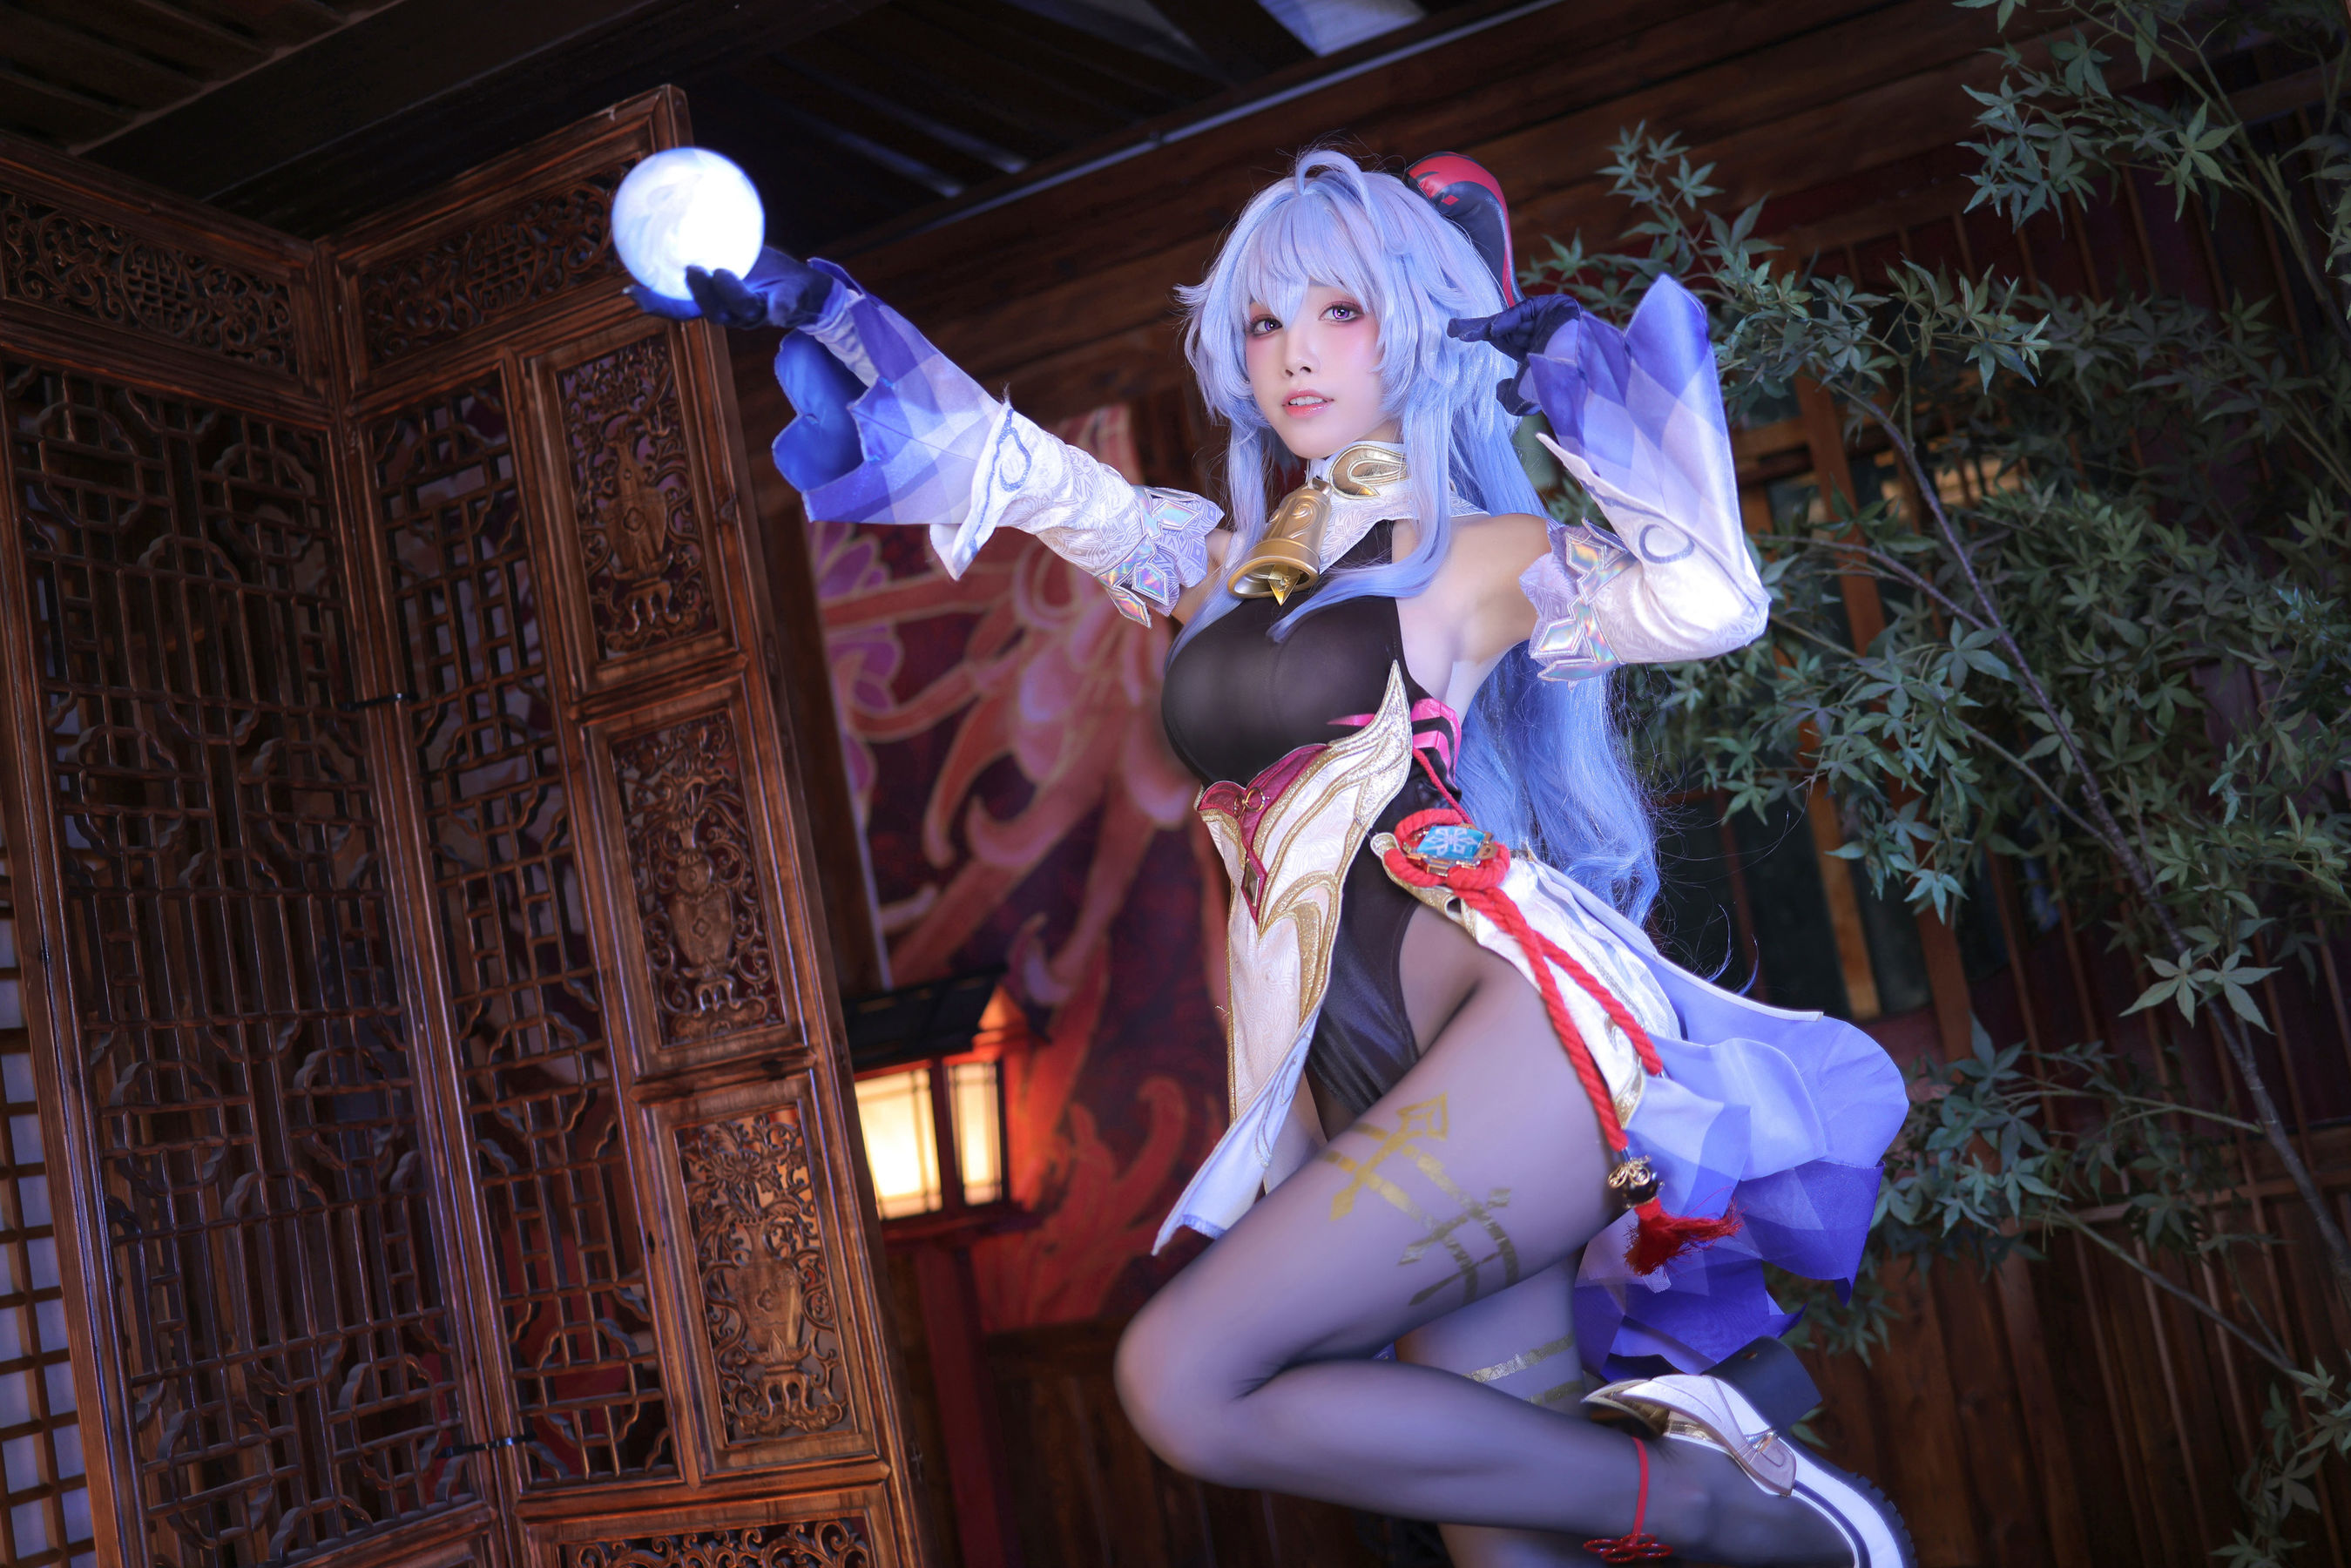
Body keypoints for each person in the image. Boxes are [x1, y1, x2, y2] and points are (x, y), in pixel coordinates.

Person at [638, 148, 1911, 1566]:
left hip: (1511, 1047)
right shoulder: (1218, 565)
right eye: (1263, 321)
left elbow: (1708, 601)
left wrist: (1580, 389)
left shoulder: (1472, 555)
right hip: (1352, 1078)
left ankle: (1730, 1503)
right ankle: (1709, 1506)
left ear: (1414, 324)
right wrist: (827, 314)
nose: (1295, 352)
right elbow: (1015, 469)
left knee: (1180, 1377)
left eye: (1340, 312)